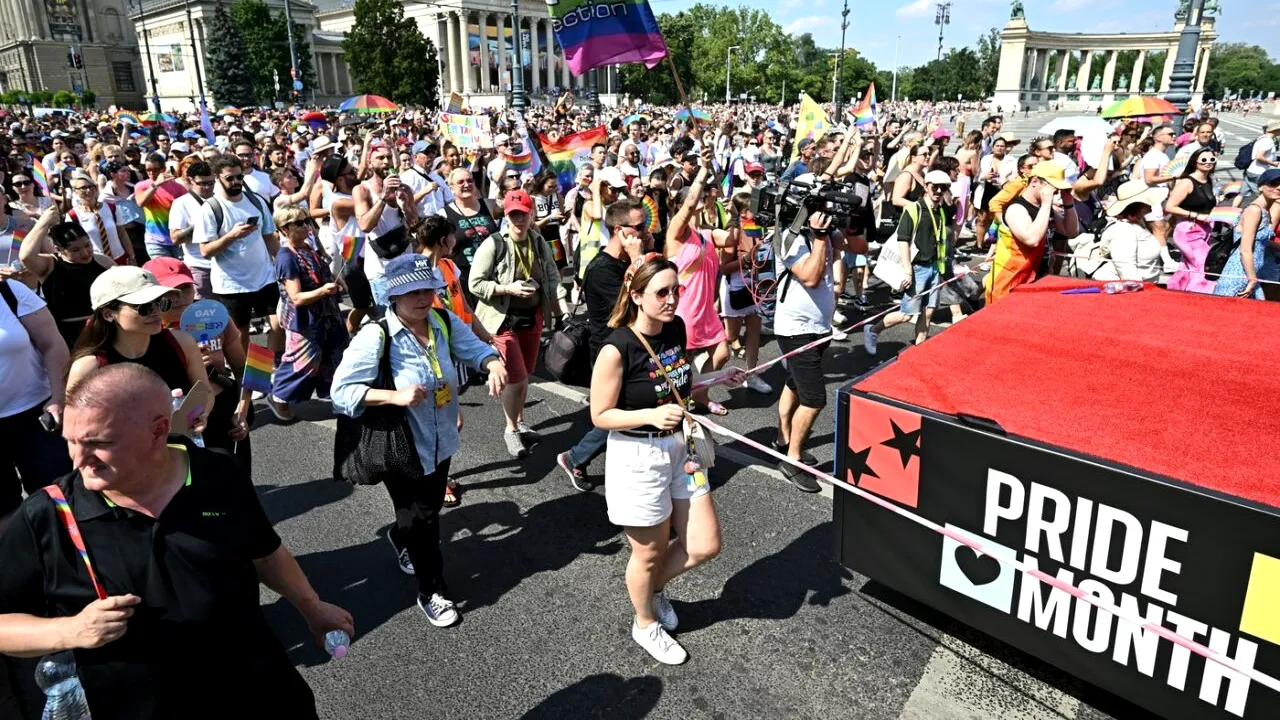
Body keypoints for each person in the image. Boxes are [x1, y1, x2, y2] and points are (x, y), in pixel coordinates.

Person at [0, 363, 353, 719]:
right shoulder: (49, 515)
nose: (79, 460)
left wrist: (312, 607)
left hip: (258, 692)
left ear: (158, 431)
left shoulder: (218, 472)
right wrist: (69, 631)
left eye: (98, 443)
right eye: (71, 442)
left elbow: (264, 553)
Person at [331, 254, 508, 627]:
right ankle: (432, 591)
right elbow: (341, 392)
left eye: (428, 288)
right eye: (412, 291)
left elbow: (472, 347)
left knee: (427, 510)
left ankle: (400, 536)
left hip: (441, 437)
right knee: (424, 519)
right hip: (402, 444)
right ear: (393, 296)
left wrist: (491, 362)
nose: (423, 298)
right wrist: (393, 397)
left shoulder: (441, 321)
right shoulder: (375, 334)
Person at [589, 254, 739, 666]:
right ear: (636, 295)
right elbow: (599, 414)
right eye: (662, 292)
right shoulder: (616, 347)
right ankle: (644, 622)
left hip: (681, 448)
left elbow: (678, 387)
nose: (673, 299)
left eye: (677, 290)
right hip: (638, 455)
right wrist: (650, 416)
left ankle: (652, 590)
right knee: (649, 553)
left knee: (706, 544)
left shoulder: (676, 328)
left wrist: (714, 380)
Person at [556, 199, 650, 490]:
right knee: (620, 415)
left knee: (626, 414)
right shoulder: (602, 270)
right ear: (620, 231)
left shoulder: (622, 262)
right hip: (610, 355)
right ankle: (576, 458)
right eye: (640, 226)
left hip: (630, 348)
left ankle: (578, 458)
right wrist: (638, 261)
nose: (646, 231)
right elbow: (634, 307)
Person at [468, 189, 559, 458]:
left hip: (532, 317)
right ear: (506, 216)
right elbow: (475, 283)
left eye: (523, 213)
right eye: (513, 214)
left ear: (532, 214)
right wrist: (508, 289)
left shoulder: (538, 241)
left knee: (526, 374)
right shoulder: (494, 243)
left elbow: (552, 275)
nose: (519, 219)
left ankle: (520, 422)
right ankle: (510, 430)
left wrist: (560, 307)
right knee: (516, 378)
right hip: (501, 320)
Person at [773, 207, 843, 494]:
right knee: (814, 399)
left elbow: (851, 246)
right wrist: (819, 236)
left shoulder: (818, 233)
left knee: (794, 383)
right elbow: (811, 277)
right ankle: (792, 460)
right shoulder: (788, 237)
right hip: (796, 330)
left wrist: (832, 231)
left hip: (818, 326)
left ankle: (782, 441)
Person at [0, 276, 72, 535]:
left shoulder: (10, 291)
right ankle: (19, 569)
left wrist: (58, 397)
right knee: (4, 512)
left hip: (36, 414)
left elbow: (52, 344)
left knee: (59, 497)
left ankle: (73, 566)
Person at [195, 154, 280, 357]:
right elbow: (205, 251)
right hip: (231, 284)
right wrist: (232, 236)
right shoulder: (210, 209)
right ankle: (246, 378)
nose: (236, 182)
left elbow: (269, 236)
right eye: (230, 178)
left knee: (279, 325)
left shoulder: (256, 201)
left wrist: (284, 263)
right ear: (217, 178)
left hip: (264, 277)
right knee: (240, 334)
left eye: (239, 177)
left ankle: (269, 368)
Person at [271, 205, 348, 419]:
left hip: (326, 313)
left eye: (307, 222)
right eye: (299, 224)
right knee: (303, 362)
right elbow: (296, 298)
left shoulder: (308, 247)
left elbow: (320, 272)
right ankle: (279, 396)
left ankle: (334, 395)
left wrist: (333, 279)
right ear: (285, 229)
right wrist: (323, 290)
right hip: (305, 319)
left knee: (335, 354)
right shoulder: (286, 257)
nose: (307, 227)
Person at [865, 170, 955, 353]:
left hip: (934, 267)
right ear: (926, 187)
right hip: (917, 268)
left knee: (928, 312)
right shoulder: (914, 208)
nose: (938, 191)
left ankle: (919, 349)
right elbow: (903, 239)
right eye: (934, 187)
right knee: (907, 314)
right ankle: (873, 330)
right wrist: (907, 269)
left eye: (942, 188)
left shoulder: (940, 211)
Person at [18, 205, 115, 348]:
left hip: (104, 329)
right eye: (75, 250)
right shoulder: (50, 264)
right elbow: (26, 256)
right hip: (69, 335)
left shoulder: (103, 261)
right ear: (58, 249)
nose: (85, 253)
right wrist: (43, 223)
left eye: (87, 245)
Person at [983, 163, 1080, 303]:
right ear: (1034, 181)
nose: (1055, 193)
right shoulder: (1016, 209)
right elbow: (1031, 239)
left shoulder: (1045, 210)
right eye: (1052, 188)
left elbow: (1071, 231)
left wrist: (1068, 202)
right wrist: (1047, 204)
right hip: (1008, 281)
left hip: (1034, 279)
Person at [1213, 169, 1280, 300]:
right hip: (1240, 275)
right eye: (1273, 184)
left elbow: (1262, 244)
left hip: (1251, 275)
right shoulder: (1254, 210)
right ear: (1260, 187)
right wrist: (1252, 279)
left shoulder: (1265, 212)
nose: (1279, 187)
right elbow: (1245, 250)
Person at [1164, 147, 1219, 293]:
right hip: (1188, 230)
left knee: (1188, 267)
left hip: (1204, 230)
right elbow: (1170, 207)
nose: (1208, 163)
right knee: (1202, 267)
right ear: (1195, 162)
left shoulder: (1208, 180)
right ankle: (1200, 296)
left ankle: (1177, 292)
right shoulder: (1187, 182)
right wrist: (1195, 215)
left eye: (1212, 159)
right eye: (1204, 160)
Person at [1095, 180, 1167, 283]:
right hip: (1128, 291)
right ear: (1137, 205)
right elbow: (1127, 271)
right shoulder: (1123, 231)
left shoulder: (1138, 223)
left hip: (1147, 287)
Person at [66, 171, 133, 265]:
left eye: (90, 186)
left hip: (119, 259)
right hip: (96, 263)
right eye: (83, 188)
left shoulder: (111, 208)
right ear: (75, 191)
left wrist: (132, 257)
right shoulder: (73, 216)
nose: (88, 190)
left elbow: (122, 234)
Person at [132, 152, 188, 260]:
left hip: (176, 240)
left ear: (163, 169)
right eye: (148, 170)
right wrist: (155, 185)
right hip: (154, 241)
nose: (151, 173)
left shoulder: (178, 187)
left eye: (155, 170)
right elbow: (141, 202)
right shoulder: (141, 186)